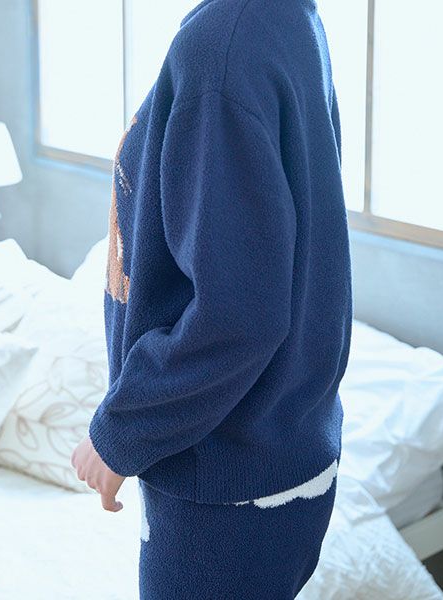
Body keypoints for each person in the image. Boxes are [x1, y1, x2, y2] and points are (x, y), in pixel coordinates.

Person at [71, 0, 352, 597]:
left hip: (224, 469)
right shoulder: (282, 17)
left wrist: (119, 434)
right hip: (284, 446)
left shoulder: (221, 49)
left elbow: (236, 316)